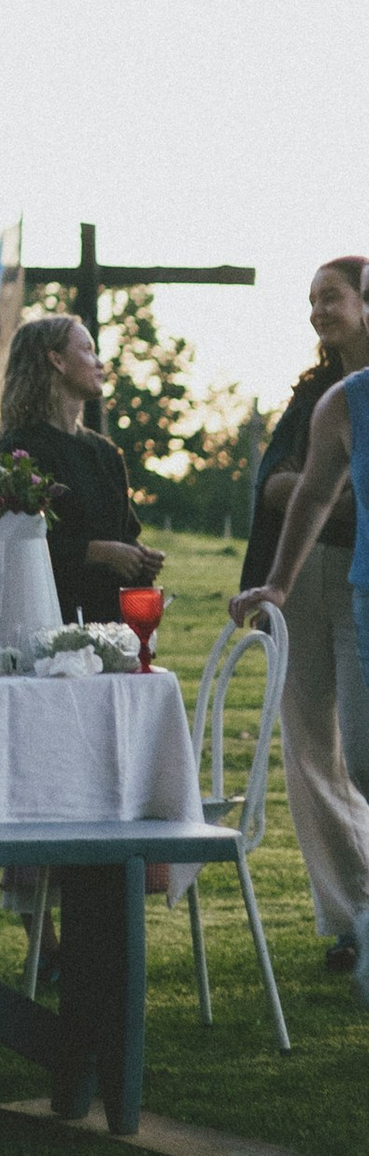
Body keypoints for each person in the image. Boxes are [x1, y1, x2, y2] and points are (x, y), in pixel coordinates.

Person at [239, 258, 369, 974]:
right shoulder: (321, 394)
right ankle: (353, 916)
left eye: (332, 296)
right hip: (307, 574)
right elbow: (276, 485)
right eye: (311, 300)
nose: (318, 310)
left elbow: (320, 491)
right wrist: (319, 493)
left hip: (358, 576)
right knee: (309, 750)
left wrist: (325, 493)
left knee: (363, 746)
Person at [0, 313, 160, 625]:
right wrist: (100, 553)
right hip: (49, 624)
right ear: (57, 360)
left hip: (110, 627)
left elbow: (124, 534)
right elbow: (12, 550)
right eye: (87, 350)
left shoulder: (105, 453)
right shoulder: (19, 452)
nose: (99, 363)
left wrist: (139, 556)